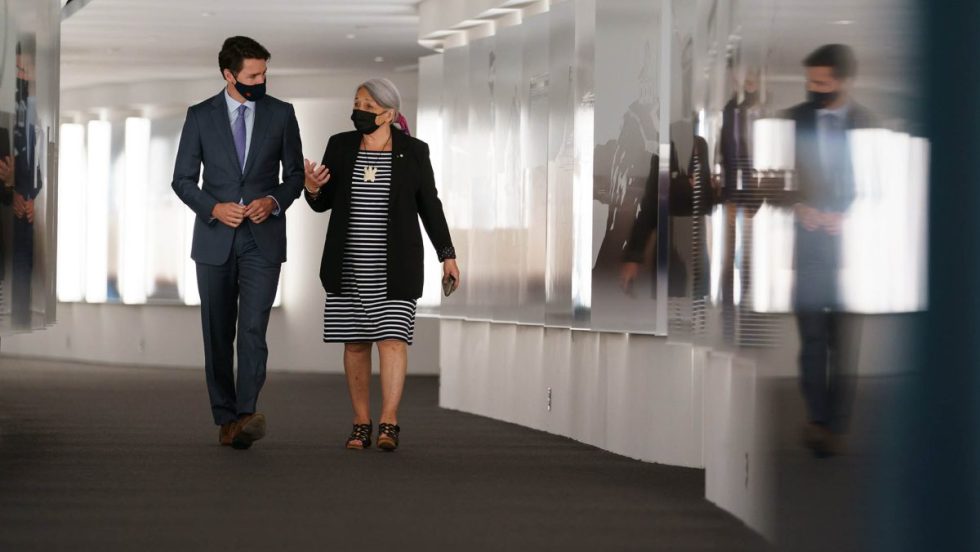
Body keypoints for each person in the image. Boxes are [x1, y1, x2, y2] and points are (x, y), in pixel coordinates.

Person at [304, 78, 459, 452]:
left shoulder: (414, 151)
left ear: (389, 114)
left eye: (369, 107)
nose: (360, 112)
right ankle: (361, 422)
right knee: (355, 344)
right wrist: (311, 187)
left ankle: (389, 421)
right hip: (349, 264)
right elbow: (322, 203)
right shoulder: (339, 146)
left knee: (392, 341)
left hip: (396, 266)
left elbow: (430, 206)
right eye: (357, 103)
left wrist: (447, 254)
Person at [171, 36, 304, 450]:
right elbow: (182, 179)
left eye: (264, 73)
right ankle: (225, 418)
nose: (261, 80)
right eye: (253, 75)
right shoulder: (200, 116)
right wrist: (213, 209)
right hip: (214, 240)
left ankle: (247, 413)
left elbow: (296, 176)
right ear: (229, 75)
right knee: (217, 333)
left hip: (262, 240)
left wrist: (273, 201)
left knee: (252, 329)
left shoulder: (282, 114)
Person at [784, 44, 874, 457]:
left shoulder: (867, 124)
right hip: (807, 245)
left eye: (821, 82)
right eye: (810, 81)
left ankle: (837, 424)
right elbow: (775, 178)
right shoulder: (795, 120)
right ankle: (816, 419)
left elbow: (879, 187)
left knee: (843, 343)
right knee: (812, 340)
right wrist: (798, 205)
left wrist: (848, 216)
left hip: (852, 252)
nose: (813, 88)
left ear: (842, 81)